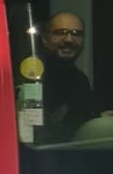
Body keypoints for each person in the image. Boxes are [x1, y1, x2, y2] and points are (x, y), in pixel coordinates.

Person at [33, 11, 106, 141]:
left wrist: (99, 120)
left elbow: (77, 125)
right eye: (61, 32)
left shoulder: (80, 80)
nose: (69, 40)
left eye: (76, 34)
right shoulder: (31, 76)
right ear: (45, 39)